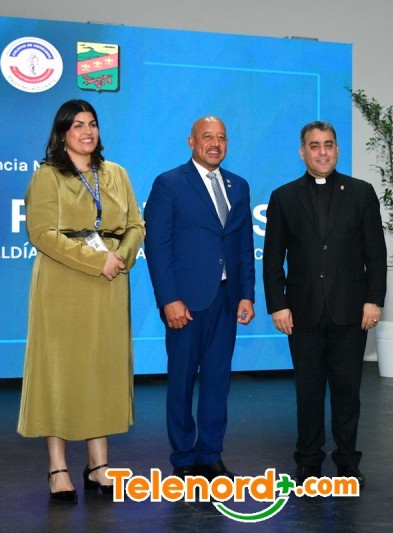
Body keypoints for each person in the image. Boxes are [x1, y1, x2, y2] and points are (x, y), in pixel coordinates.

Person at [17, 99, 145, 503]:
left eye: (92, 124)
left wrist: (120, 256)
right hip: (64, 282)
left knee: (100, 370)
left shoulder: (116, 173)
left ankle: (99, 465)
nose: (87, 131)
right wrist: (96, 260)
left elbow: (136, 224)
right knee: (60, 371)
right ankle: (58, 467)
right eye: (77, 125)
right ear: (62, 134)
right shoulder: (47, 176)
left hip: (110, 280)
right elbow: (42, 234)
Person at [262, 120, 387, 486]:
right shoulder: (284, 197)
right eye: (314, 146)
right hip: (302, 313)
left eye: (328, 145)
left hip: (352, 311)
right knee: (308, 392)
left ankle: (347, 460)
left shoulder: (362, 193)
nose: (322, 152)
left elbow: (376, 254)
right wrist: (278, 305)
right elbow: (273, 259)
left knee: (348, 392)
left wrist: (373, 300)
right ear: (303, 152)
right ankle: (308, 460)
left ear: (337, 149)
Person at [144, 116, 255, 479]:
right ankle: (183, 457)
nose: (215, 143)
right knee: (181, 380)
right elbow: (157, 246)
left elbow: (243, 246)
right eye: (207, 137)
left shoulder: (238, 186)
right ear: (191, 141)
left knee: (218, 380)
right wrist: (168, 299)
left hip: (226, 300)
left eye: (221, 137)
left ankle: (210, 452)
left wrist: (247, 295)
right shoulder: (169, 183)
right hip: (186, 303)